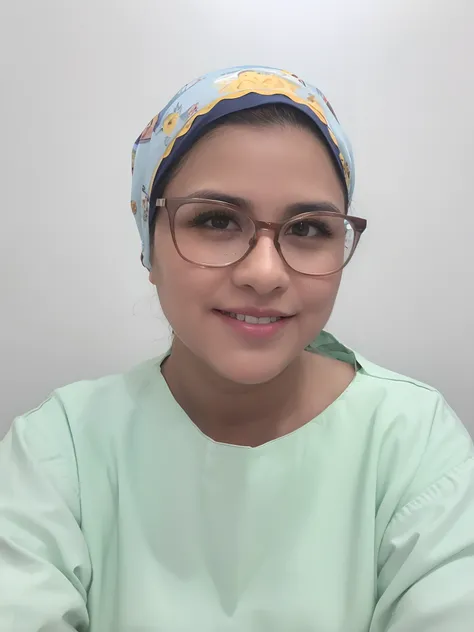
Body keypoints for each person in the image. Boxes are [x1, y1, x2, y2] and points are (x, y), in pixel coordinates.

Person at [0, 65, 473, 631]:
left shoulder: (413, 442)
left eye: (307, 228)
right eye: (218, 220)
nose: (265, 272)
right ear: (148, 244)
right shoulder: (61, 450)